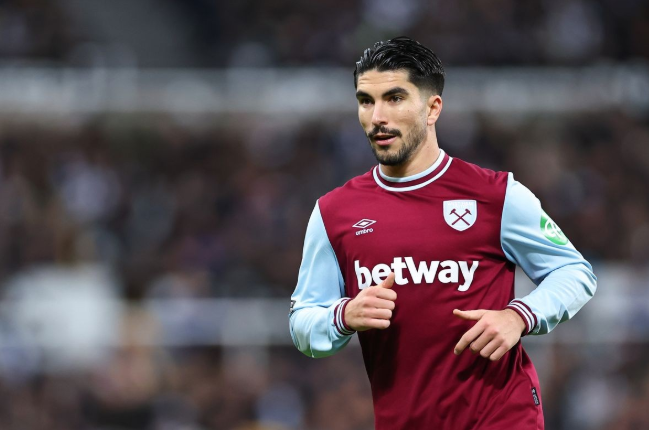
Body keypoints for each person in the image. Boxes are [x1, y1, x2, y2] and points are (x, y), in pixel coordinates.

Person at [288, 37, 596, 430]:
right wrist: (344, 315)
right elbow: (303, 322)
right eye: (366, 101)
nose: (377, 116)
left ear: (432, 108)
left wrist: (520, 315)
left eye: (394, 98)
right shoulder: (334, 213)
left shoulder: (496, 195)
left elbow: (574, 272)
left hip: (502, 416)